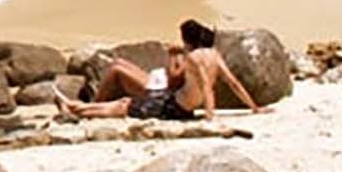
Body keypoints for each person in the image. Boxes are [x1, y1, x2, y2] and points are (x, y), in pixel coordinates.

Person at [56, 22, 270, 123]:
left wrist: (209, 116)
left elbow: (205, 86)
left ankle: (75, 109)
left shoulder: (193, 58)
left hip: (173, 107)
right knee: (123, 105)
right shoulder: (214, 56)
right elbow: (233, 83)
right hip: (174, 104)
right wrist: (255, 108)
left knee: (123, 107)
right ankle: (76, 107)